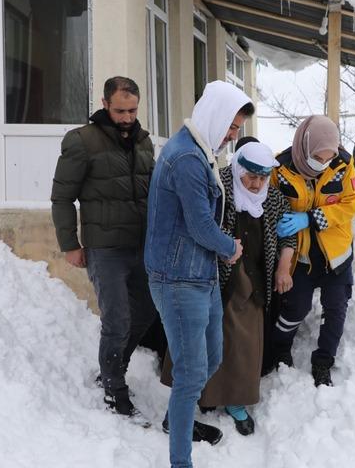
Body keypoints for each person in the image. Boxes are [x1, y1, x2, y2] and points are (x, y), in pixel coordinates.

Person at [144, 80, 253, 468]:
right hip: (178, 279)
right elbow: (200, 225)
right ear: (215, 116)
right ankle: (180, 461)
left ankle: (176, 420)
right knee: (191, 373)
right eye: (231, 126)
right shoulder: (187, 158)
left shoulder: (200, 151)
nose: (232, 136)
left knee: (211, 356)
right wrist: (230, 248)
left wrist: (217, 255)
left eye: (237, 130)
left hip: (199, 273)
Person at [160, 138, 296, 436]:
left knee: (243, 344)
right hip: (209, 275)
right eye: (251, 177)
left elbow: (288, 236)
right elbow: (196, 222)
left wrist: (284, 266)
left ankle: (235, 400)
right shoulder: (217, 187)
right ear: (237, 169)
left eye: (263, 177)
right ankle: (189, 402)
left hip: (252, 279)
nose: (257, 184)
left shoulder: (272, 199)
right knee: (200, 339)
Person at [51, 76, 160, 423]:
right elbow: (62, 196)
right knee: (117, 318)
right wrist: (70, 244)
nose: (127, 117)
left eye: (132, 110)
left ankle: (114, 369)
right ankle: (114, 389)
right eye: (120, 110)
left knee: (145, 312)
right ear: (104, 103)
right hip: (105, 248)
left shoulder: (144, 142)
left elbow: (152, 194)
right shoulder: (82, 141)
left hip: (141, 246)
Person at [266, 115, 355, 387]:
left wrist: (311, 218)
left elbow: (350, 203)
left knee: (336, 309)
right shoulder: (281, 168)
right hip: (300, 255)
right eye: (318, 158)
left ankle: (323, 362)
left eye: (327, 158)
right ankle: (281, 347)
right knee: (295, 307)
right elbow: (270, 204)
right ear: (305, 147)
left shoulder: (343, 165)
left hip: (335, 255)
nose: (323, 165)